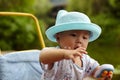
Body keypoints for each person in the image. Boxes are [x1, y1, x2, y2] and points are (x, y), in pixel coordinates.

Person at [39, 10, 114, 80]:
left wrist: (102, 73)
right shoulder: (56, 55)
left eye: (84, 37)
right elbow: (43, 56)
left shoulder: (85, 59)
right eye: (73, 35)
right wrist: (64, 54)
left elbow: (95, 71)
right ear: (58, 38)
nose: (80, 41)